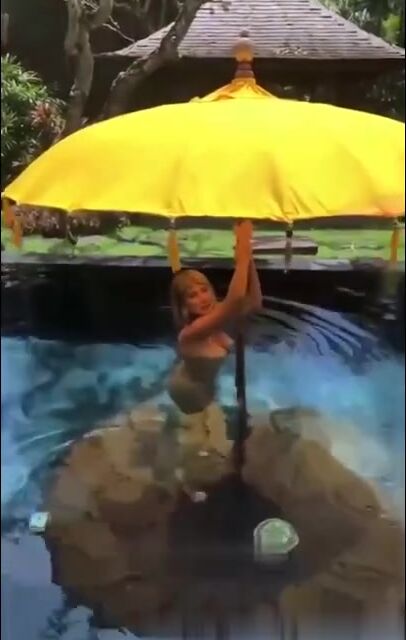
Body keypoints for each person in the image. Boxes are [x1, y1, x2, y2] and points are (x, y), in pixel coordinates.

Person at [167, 220, 262, 456]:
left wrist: (248, 259)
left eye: (204, 289)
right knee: (204, 448)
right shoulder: (192, 333)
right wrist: (243, 249)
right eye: (192, 295)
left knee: (213, 436)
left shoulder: (214, 315)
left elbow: (254, 303)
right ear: (184, 306)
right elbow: (235, 299)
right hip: (188, 392)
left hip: (203, 383)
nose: (202, 298)